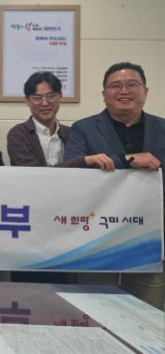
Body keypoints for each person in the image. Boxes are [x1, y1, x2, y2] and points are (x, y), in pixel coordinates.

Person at [64, 62, 164, 309]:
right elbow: (71, 174)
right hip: (97, 236)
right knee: (94, 310)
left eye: (132, 84)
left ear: (145, 91)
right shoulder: (84, 129)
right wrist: (125, 160)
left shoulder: (162, 128)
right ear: (104, 94)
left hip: (150, 239)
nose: (124, 91)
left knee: (149, 313)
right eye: (116, 85)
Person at [7, 71, 114, 169]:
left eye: (50, 96)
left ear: (60, 97)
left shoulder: (72, 133)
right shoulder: (18, 134)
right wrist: (84, 161)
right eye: (37, 98)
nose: (44, 103)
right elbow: (34, 173)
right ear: (27, 101)